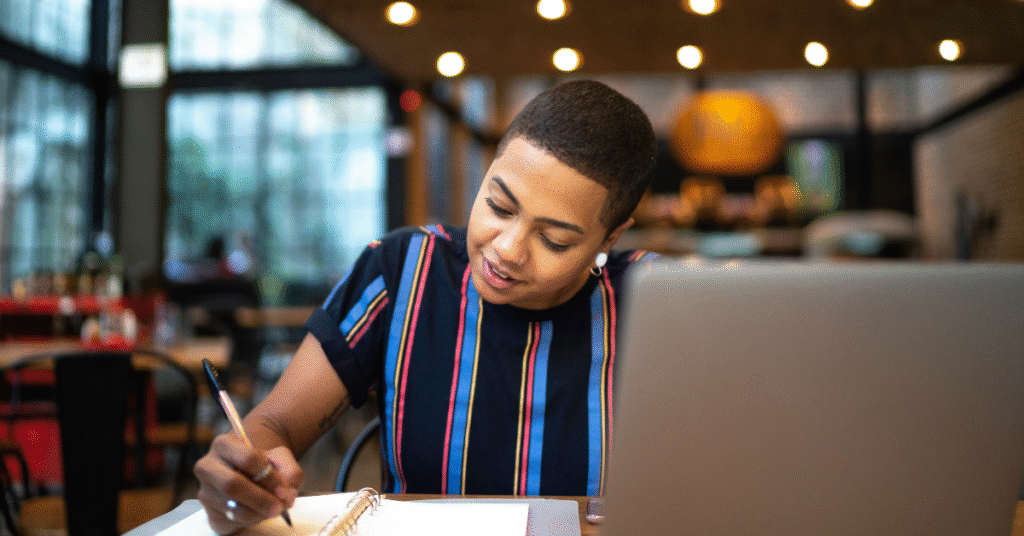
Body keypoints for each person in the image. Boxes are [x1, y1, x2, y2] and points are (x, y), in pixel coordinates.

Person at [193, 79, 659, 534]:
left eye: (554, 240)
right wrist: (243, 475)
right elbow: (275, 424)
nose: (508, 249)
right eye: (499, 206)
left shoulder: (659, 304)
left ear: (610, 237)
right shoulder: (402, 272)